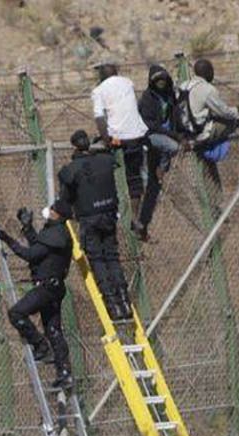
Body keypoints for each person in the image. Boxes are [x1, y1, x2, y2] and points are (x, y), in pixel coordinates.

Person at [0, 200, 74, 389]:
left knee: (16, 313)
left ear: (58, 215)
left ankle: (40, 345)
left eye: (53, 209)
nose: (49, 210)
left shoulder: (56, 235)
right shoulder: (57, 234)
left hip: (46, 288)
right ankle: (65, 373)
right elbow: (39, 248)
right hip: (55, 288)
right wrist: (27, 227)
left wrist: (6, 238)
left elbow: (30, 254)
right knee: (53, 331)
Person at [58, 129, 132, 321]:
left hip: (89, 219)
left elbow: (65, 198)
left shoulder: (72, 169)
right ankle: (125, 302)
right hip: (109, 216)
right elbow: (110, 158)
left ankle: (112, 305)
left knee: (98, 260)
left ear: (74, 146)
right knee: (112, 258)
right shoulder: (105, 161)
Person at [91, 61, 154, 241]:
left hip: (118, 139)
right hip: (137, 136)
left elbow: (100, 118)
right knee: (134, 180)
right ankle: (135, 218)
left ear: (102, 76)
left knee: (108, 173)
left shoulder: (99, 90)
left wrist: (106, 140)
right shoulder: (128, 83)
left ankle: (111, 213)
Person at [178, 59, 239, 190]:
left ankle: (215, 199)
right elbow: (224, 112)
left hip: (186, 133)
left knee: (209, 178)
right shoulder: (207, 89)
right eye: (212, 70)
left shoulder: (183, 86)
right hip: (201, 134)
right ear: (207, 72)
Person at [136, 64, 186, 241]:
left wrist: (180, 132)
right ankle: (161, 169)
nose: (161, 83)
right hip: (151, 136)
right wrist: (172, 134)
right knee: (172, 147)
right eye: (157, 80)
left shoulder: (170, 95)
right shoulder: (148, 98)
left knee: (153, 187)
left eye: (163, 79)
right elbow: (149, 124)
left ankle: (143, 223)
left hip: (167, 135)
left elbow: (175, 117)